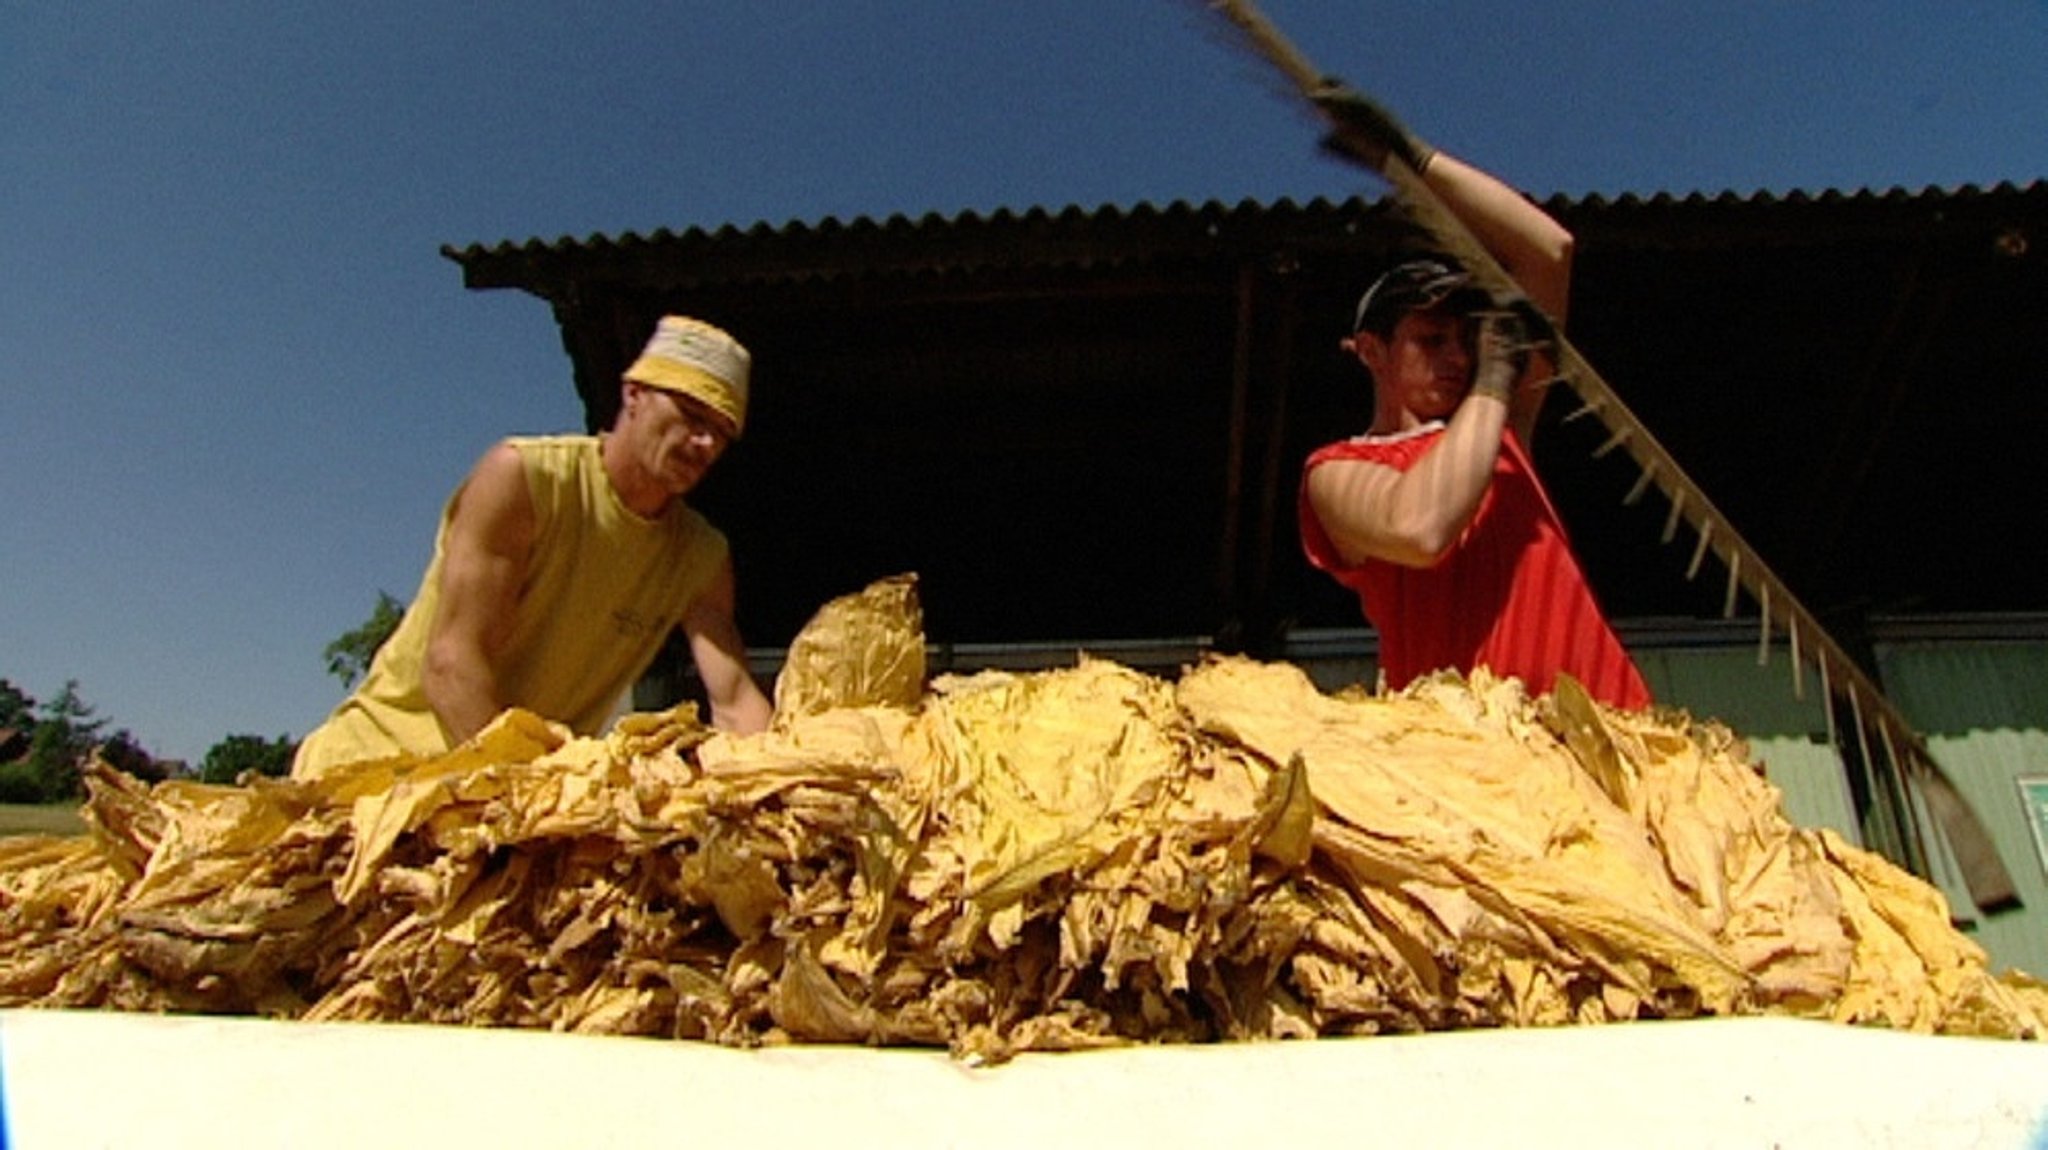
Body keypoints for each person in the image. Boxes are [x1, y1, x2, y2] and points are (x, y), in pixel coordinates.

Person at [293, 315, 774, 778]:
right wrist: (537, 797)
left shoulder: (700, 555)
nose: (705, 443)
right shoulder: (526, 480)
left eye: (722, 432)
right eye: (692, 415)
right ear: (635, 394)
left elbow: (733, 700)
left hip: (528, 794)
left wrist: (794, 778)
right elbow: (452, 666)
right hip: (378, 773)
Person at [1297, 85, 1651, 710]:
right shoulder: (1336, 473)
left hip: (1609, 734)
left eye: (1467, 339)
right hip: (1481, 765)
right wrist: (1494, 378)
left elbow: (1550, 250)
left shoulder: (1498, 435)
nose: (1457, 356)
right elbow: (1421, 527)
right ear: (1371, 351)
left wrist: (1411, 160)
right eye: (1431, 339)